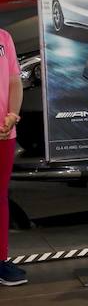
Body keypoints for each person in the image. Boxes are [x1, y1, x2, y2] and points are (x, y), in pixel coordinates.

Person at [0, 29, 25, 286]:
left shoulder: (4, 37)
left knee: (0, 197)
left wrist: (12, 114)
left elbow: (14, 81)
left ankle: (1, 259)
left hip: (4, 134)